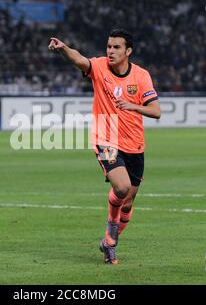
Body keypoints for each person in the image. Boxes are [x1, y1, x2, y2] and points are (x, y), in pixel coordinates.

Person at [48, 29, 161, 264]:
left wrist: (133, 106)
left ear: (128, 51)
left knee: (128, 202)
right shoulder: (98, 67)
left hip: (135, 145)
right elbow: (79, 59)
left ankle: (109, 241)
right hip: (106, 138)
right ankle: (111, 231)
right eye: (108, 46)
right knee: (121, 187)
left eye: (116, 47)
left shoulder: (141, 76)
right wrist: (63, 49)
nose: (110, 51)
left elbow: (156, 111)